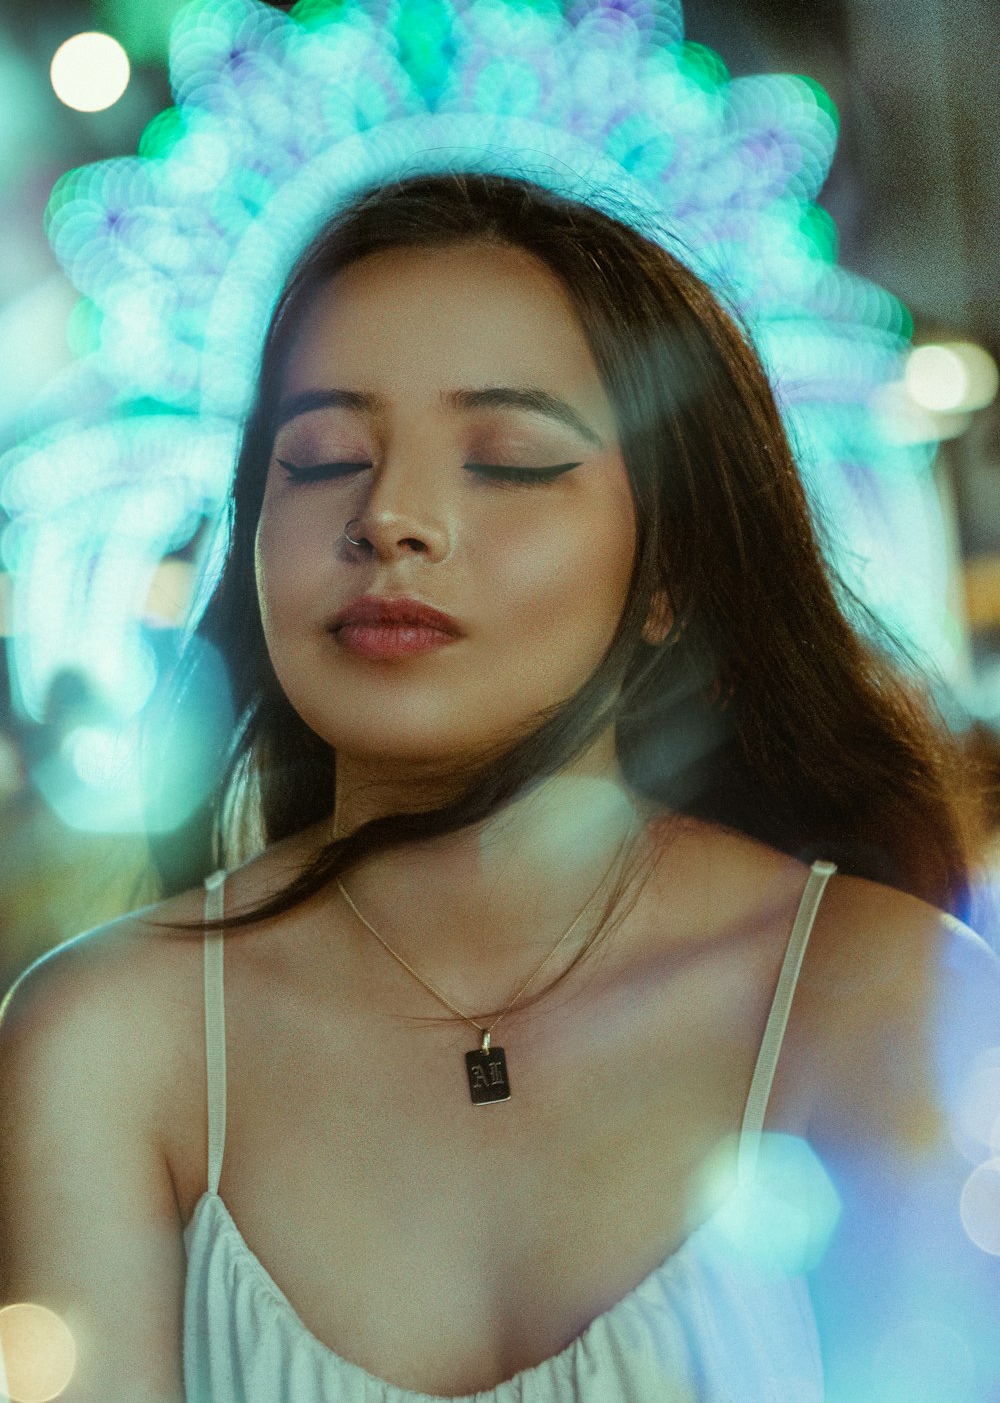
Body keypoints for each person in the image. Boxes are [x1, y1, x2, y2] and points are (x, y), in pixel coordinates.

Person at [1, 170, 998, 1402]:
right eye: (319, 458)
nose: (392, 518)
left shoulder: (885, 995)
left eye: (511, 460)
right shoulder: (108, 1038)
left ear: (671, 568)